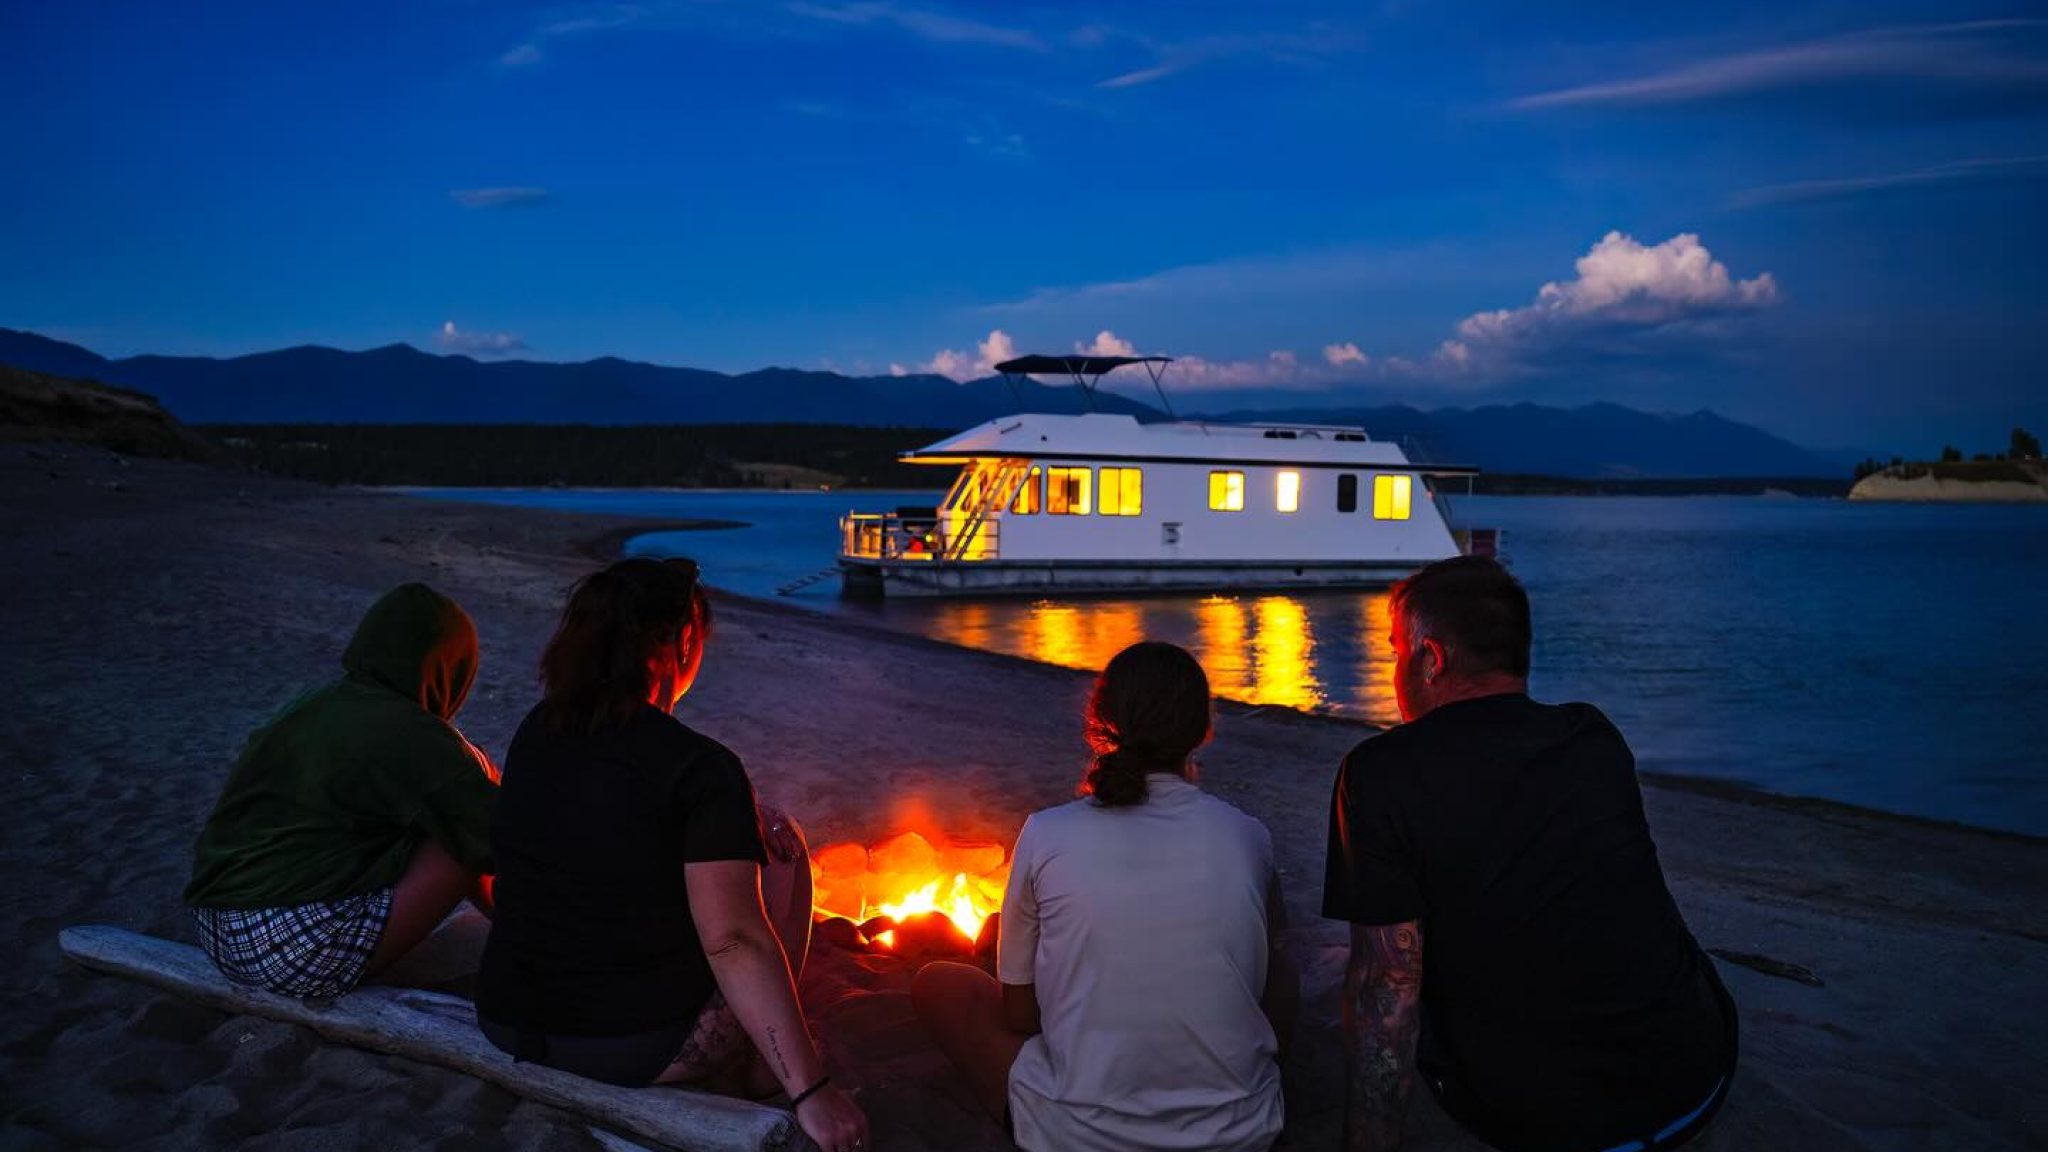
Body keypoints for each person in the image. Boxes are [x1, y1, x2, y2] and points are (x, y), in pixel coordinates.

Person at [1324, 556, 1736, 1152]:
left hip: (1543, 1118)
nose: (1394, 669)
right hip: (1694, 1080)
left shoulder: (1380, 774)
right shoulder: (1592, 736)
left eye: (1395, 651)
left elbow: (1385, 988)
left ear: (1432, 660)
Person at [475, 558, 866, 1152]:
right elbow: (733, 939)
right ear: (684, 641)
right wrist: (812, 1093)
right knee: (783, 854)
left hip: (507, 1020)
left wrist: (740, 817)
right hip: (625, 1047)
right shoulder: (701, 768)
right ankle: (772, 1066)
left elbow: (607, 813)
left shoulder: (537, 730)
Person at [913, 641, 1296, 1152]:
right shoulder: (1248, 835)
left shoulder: (1046, 833)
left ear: (1099, 723)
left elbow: (1021, 1018)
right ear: (1202, 731)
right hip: (1239, 1133)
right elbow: (1268, 983)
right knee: (1284, 964)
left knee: (939, 983)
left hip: (1076, 1134)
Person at [186, 582, 499, 1000]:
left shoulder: (317, 704)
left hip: (215, 927)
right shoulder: (408, 733)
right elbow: (503, 837)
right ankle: (533, 936)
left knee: (445, 816)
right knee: (462, 842)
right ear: (450, 669)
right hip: (280, 950)